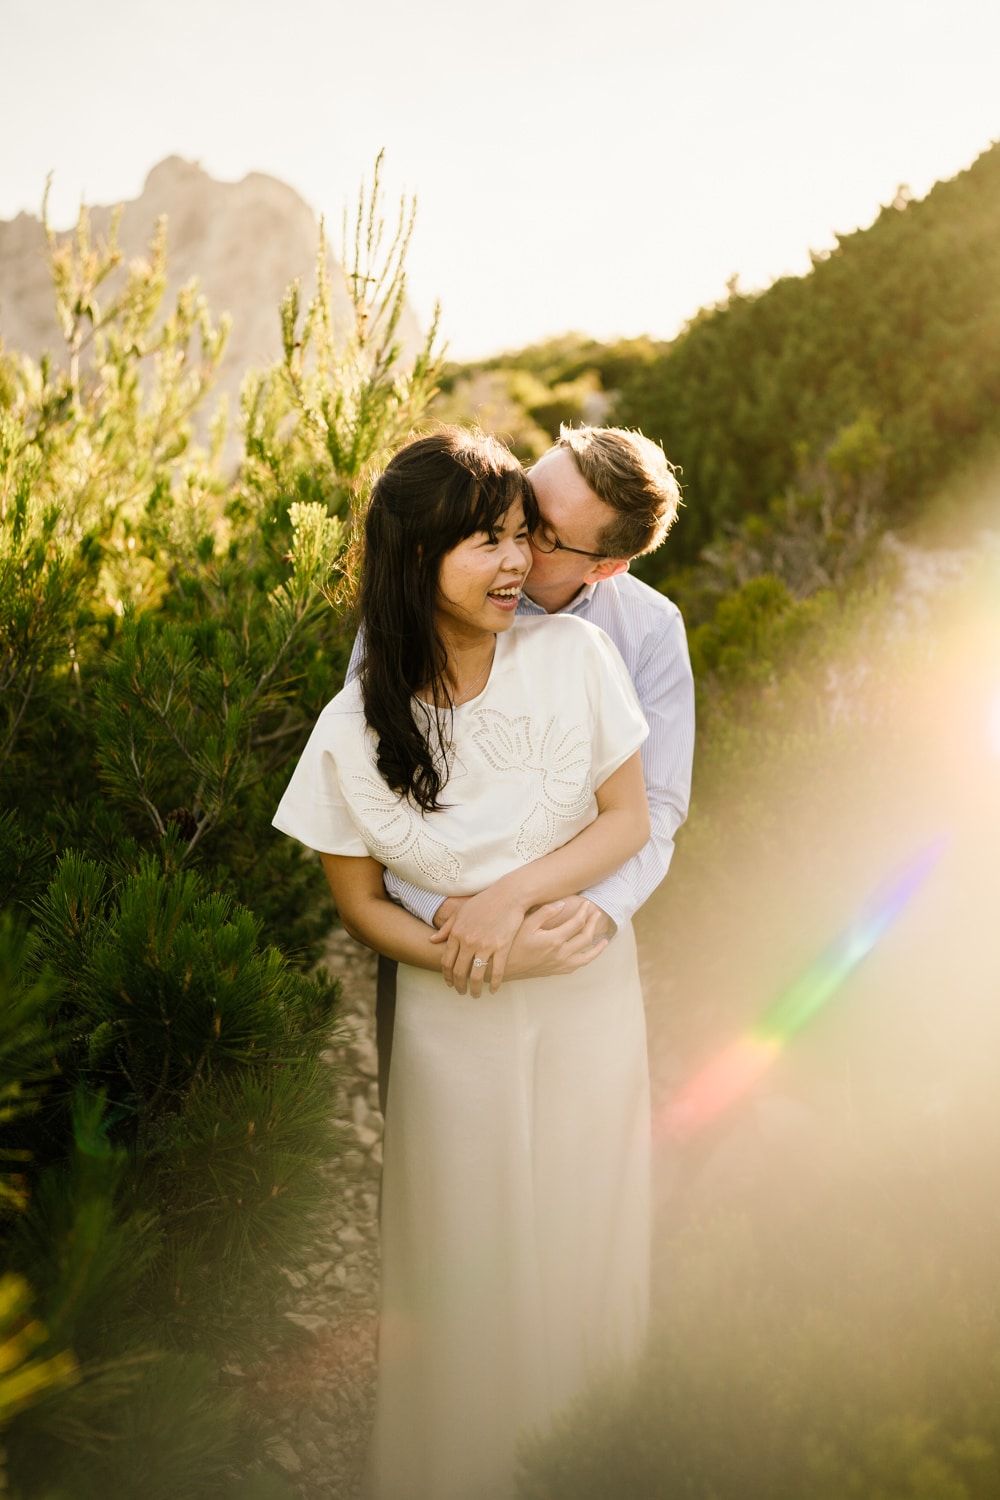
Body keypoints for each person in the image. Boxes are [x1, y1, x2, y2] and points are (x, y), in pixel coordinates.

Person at [273, 428, 654, 1500]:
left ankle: (600, 1462)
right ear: (412, 557)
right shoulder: (350, 727)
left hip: (584, 992)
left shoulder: (575, 659)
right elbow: (355, 904)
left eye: (515, 537)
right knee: (466, 1259)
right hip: (454, 1018)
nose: (512, 565)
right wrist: (473, 951)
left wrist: (502, 907)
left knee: (586, 1232)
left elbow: (626, 821)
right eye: (481, 542)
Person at [371, 423, 696, 1110]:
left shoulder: (649, 631)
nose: (514, 536)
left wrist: (595, 912)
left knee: (576, 1162)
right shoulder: (423, 595)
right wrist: (450, 917)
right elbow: (376, 779)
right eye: (522, 496)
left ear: (605, 566)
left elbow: (658, 803)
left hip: (571, 943)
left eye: (542, 534)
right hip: (438, 939)